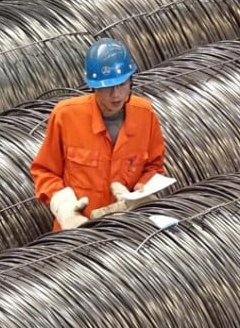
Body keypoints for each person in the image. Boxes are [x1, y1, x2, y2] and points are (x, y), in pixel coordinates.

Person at [31, 37, 167, 230]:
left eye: (121, 84)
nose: (116, 95)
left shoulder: (145, 114)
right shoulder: (66, 116)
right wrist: (64, 207)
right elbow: (44, 171)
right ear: (93, 86)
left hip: (126, 227)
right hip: (78, 230)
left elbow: (154, 165)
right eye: (107, 87)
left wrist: (141, 190)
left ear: (131, 80)